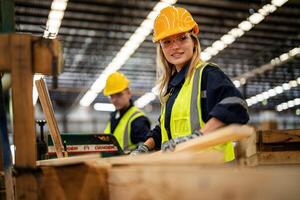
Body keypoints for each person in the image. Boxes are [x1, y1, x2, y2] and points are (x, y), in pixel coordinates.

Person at [131, 6, 249, 162]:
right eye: (167, 42)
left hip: (214, 172)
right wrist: (145, 147)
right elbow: (164, 130)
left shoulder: (207, 75)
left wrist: (198, 137)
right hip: (183, 172)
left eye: (182, 38)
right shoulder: (173, 88)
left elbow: (236, 105)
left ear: (193, 41)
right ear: (162, 48)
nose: (175, 47)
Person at [103, 71, 151, 152]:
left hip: (130, 163)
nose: (114, 100)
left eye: (118, 95)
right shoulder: (113, 117)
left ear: (129, 93)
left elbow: (145, 149)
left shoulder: (138, 119)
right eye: (111, 96)